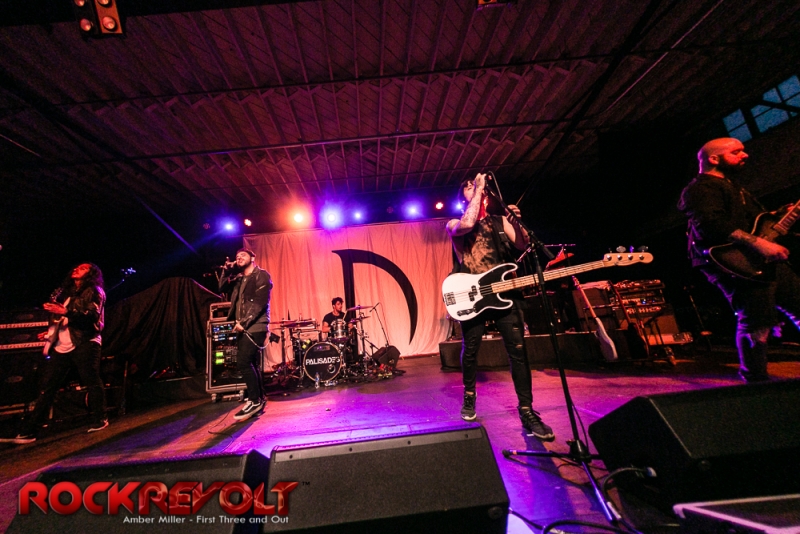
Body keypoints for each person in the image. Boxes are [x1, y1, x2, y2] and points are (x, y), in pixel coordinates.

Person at [678, 137, 800, 383]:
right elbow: (711, 224)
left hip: (760, 258)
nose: (745, 155)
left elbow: (757, 223)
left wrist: (780, 217)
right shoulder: (701, 188)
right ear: (714, 159)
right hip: (732, 261)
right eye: (736, 152)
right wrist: (761, 244)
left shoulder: (735, 187)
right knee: (757, 320)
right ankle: (755, 378)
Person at [446, 173, 554, 441]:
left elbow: (522, 243)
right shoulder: (454, 223)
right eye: (468, 187)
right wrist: (479, 188)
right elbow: (468, 223)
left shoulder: (499, 221)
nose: (473, 187)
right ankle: (469, 396)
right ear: (463, 198)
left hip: (506, 292)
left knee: (518, 352)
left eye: (474, 185)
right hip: (473, 296)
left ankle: (527, 410)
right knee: (471, 350)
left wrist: (516, 223)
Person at [5, 263, 107, 444]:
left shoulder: (94, 291)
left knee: (91, 380)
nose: (76, 269)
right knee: (48, 387)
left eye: (83, 268)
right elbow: (64, 320)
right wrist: (51, 333)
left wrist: (65, 311)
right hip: (62, 345)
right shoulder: (67, 294)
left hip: (84, 341)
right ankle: (30, 431)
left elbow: (91, 316)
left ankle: (100, 418)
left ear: (91, 274)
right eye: (76, 267)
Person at [219, 248, 273, 421]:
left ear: (253, 257)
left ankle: (254, 400)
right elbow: (222, 287)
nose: (239, 257)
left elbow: (259, 302)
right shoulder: (239, 279)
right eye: (237, 256)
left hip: (255, 326)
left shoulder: (261, 275)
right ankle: (259, 399)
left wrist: (244, 322)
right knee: (251, 363)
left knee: (243, 362)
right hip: (243, 326)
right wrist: (226, 271)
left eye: (243, 255)